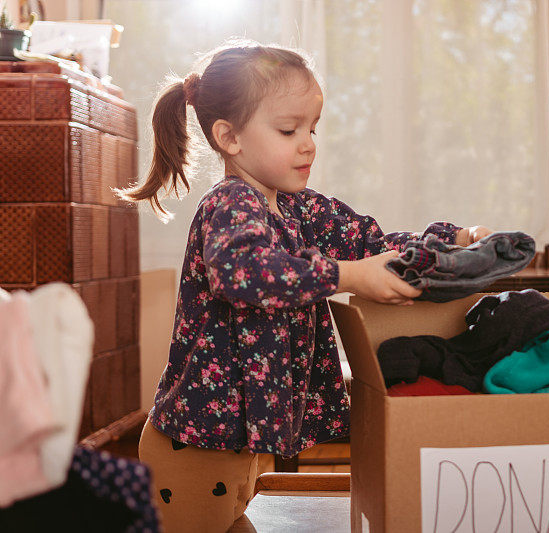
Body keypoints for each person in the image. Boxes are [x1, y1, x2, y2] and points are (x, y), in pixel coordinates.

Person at [120, 40, 491, 532]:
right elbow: (244, 272)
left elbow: (371, 240)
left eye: (312, 128)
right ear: (230, 138)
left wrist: (455, 239)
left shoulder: (300, 208)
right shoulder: (229, 205)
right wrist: (345, 276)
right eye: (288, 129)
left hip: (241, 440)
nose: (308, 143)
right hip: (197, 441)